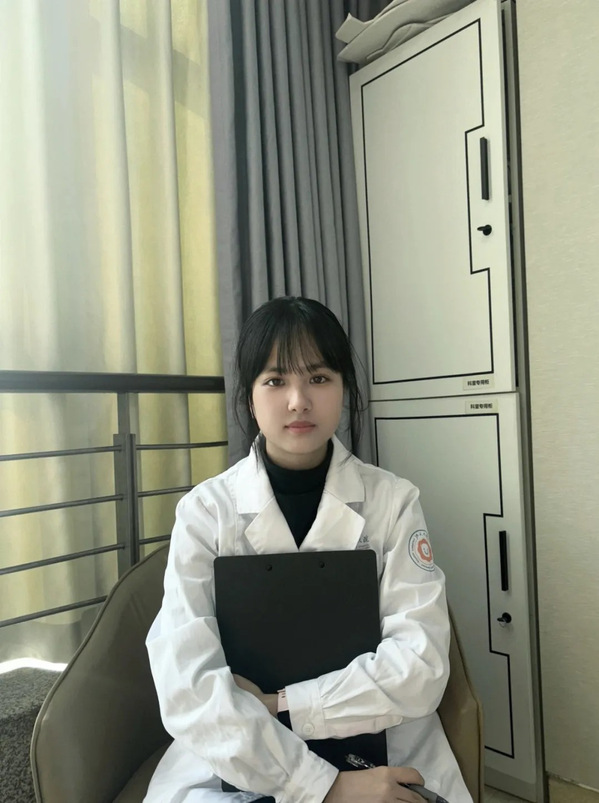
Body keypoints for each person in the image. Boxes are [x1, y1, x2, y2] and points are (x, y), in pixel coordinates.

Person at [145, 297, 473, 803]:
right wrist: (325, 786)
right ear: (249, 397)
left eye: (318, 378)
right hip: (240, 748)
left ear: (345, 389)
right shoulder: (205, 512)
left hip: (380, 736)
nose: (298, 401)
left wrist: (283, 704)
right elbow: (187, 681)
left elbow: (420, 664)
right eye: (275, 381)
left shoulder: (393, 501)